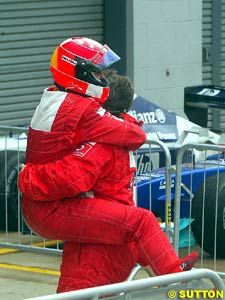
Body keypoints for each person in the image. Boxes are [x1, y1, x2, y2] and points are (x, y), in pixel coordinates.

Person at [19, 69, 198, 292]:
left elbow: (69, 178)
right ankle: (176, 277)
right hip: (113, 241)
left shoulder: (101, 146)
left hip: (94, 251)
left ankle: (175, 279)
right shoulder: (124, 136)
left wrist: (27, 176)